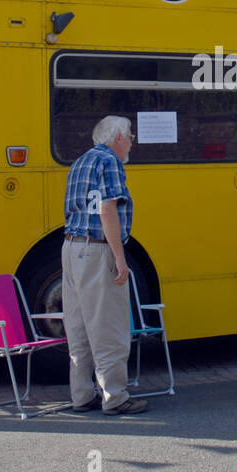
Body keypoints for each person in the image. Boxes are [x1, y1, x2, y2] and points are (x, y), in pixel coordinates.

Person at [61, 115, 148, 415]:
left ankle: (82, 395)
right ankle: (115, 396)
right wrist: (120, 259)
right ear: (118, 137)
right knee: (108, 326)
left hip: (71, 248)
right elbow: (107, 209)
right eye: (131, 136)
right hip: (97, 251)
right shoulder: (110, 162)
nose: (132, 142)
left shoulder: (80, 162)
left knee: (79, 327)